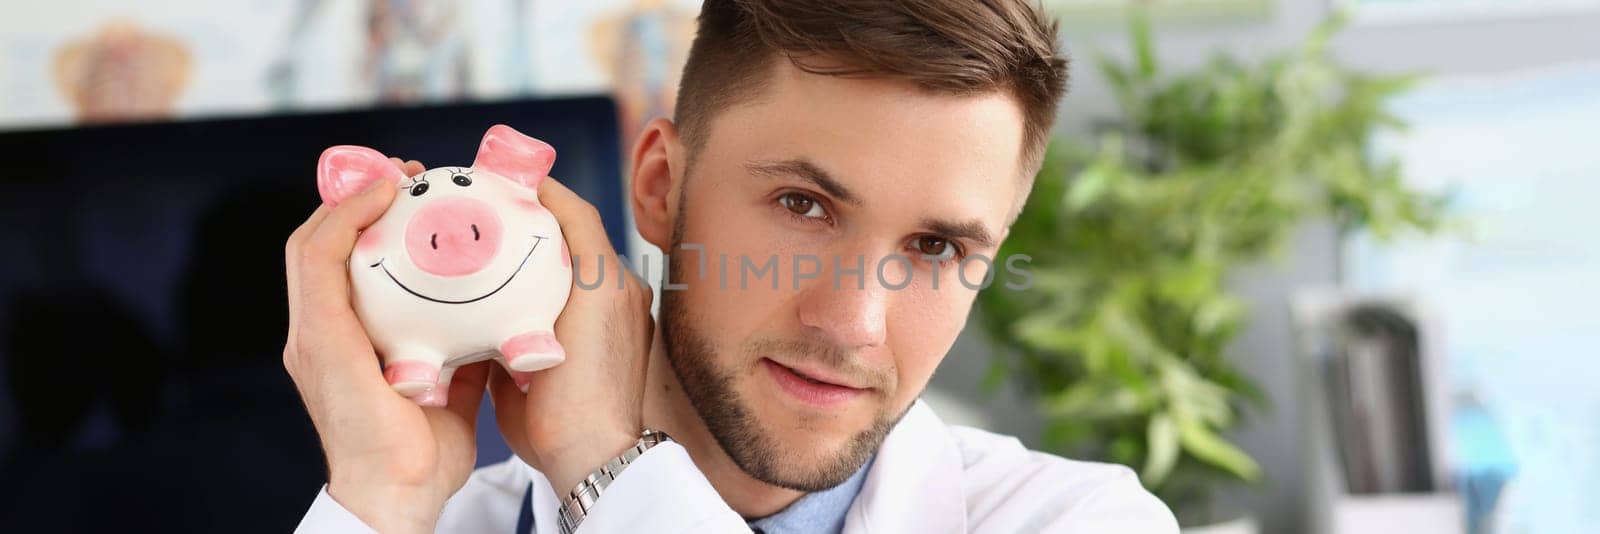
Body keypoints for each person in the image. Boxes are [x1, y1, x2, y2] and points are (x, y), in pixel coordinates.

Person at [285, 1, 1180, 532]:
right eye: (803, 205)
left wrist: (607, 463)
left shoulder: (1082, 520)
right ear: (661, 187)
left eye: (937, 247)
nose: (854, 322)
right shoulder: (415, 524)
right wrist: (378, 499)